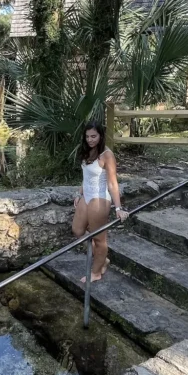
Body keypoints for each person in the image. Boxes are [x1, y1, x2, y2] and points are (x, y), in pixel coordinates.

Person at [73, 119, 128, 283]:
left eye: (94, 136)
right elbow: (86, 176)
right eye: (87, 136)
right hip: (87, 196)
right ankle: (102, 259)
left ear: (101, 135)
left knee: (99, 238)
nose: (90, 139)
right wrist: (78, 193)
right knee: (77, 230)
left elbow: (112, 183)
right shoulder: (88, 151)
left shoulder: (107, 155)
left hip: (100, 198)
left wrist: (118, 208)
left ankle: (97, 271)